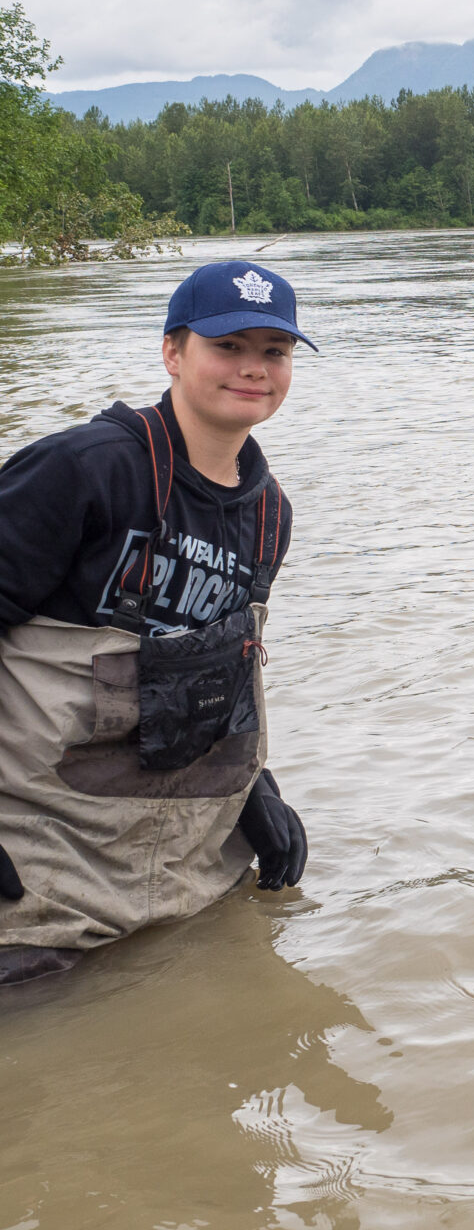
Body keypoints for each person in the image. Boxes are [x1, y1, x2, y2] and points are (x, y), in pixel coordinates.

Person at [0, 261, 313, 986]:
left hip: (183, 869)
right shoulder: (84, 470)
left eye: (275, 351)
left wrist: (258, 794)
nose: (253, 369)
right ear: (173, 353)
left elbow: (227, 671)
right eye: (228, 346)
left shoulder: (270, 515)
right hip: (38, 856)